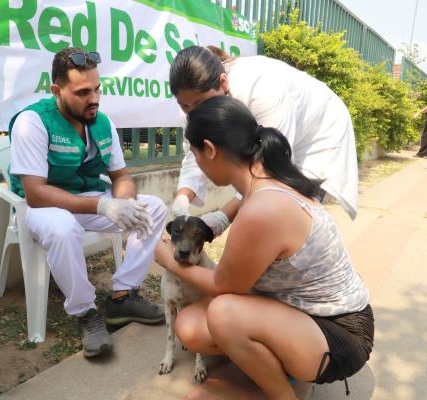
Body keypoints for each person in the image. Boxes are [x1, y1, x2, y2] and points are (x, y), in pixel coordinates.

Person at [155, 96, 373, 400]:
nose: (197, 164)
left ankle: (286, 393)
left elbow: (222, 285)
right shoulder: (267, 183)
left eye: (194, 154)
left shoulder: (263, 207)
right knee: (189, 325)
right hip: (305, 315)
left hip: (340, 335)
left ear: (210, 150)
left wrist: (169, 259)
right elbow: (231, 221)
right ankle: (273, 368)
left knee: (222, 313)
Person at [9, 47, 166, 358]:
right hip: (45, 208)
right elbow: (36, 193)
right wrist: (103, 207)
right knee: (63, 228)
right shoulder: (32, 122)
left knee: (155, 207)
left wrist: (122, 204)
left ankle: (122, 297)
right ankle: (86, 313)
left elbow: (121, 176)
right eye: (82, 92)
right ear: (57, 90)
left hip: (90, 202)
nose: (93, 98)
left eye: (97, 89)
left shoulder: (102, 122)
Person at [169, 45, 359, 238]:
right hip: (281, 148)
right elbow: (196, 151)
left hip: (318, 133)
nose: (194, 112)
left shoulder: (263, 89)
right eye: (184, 105)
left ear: (223, 83)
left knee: (288, 212)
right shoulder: (192, 103)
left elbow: (270, 170)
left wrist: (223, 216)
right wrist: (183, 196)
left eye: (201, 103)